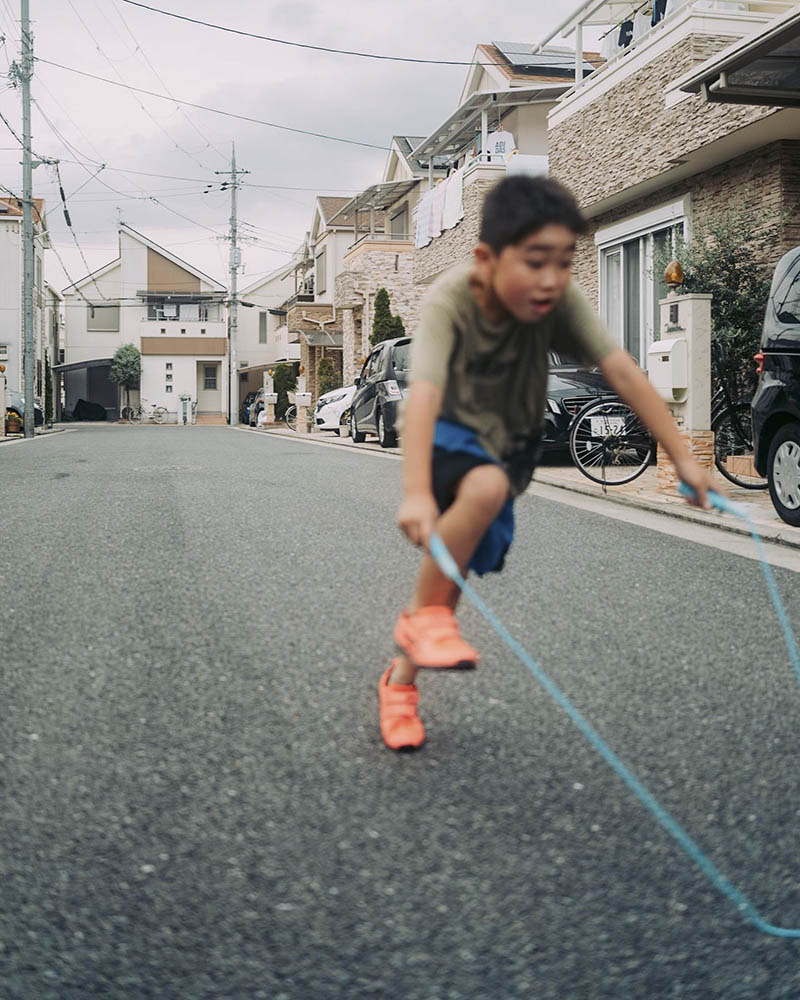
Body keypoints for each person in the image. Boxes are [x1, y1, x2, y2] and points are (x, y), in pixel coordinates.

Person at [378, 175, 713, 751]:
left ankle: (399, 683)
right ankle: (418, 627)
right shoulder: (452, 299)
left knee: (452, 582)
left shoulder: (558, 301)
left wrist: (681, 453)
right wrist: (415, 492)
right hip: (443, 437)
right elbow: (426, 393)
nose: (552, 278)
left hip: (510, 449)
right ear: (486, 259)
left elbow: (623, 371)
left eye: (565, 262)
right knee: (480, 490)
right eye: (536, 261)